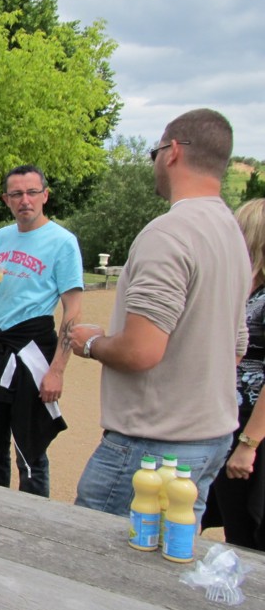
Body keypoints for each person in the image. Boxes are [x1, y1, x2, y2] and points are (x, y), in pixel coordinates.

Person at [71, 109, 251, 523]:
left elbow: (141, 351)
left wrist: (92, 343)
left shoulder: (168, 234)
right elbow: (235, 346)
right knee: (162, 563)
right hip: (209, 438)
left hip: (152, 446)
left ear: (172, 152)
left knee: (89, 564)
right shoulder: (231, 232)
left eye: (154, 151)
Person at [0, 166, 83, 498]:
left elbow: (73, 310)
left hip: (31, 350)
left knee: (29, 452)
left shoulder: (62, 242)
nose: (25, 200)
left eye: (32, 192)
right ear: (6, 199)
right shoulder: (2, 235)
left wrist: (57, 371)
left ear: (45, 195)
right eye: (16, 194)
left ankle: (34, 523)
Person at [203, 198, 265, 550]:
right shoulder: (244, 290)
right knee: (235, 527)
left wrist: (248, 445)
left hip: (253, 428)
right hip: (229, 418)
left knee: (253, 532)